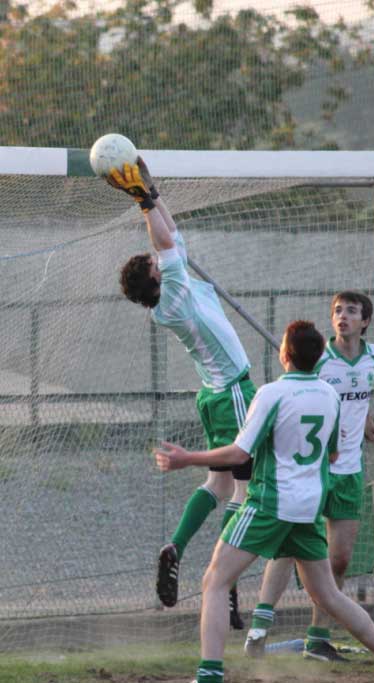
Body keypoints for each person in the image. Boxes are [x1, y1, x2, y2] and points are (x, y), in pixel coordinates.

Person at [154, 320, 374, 683]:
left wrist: (188, 458)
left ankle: (209, 675)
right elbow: (336, 453)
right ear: (317, 358)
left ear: (284, 355)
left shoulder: (271, 394)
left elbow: (238, 453)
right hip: (308, 508)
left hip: (270, 504)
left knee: (215, 581)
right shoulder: (328, 395)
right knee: (329, 595)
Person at [107, 159, 257, 627]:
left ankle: (175, 545)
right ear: (155, 279)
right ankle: (228, 579)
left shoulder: (176, 289)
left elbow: (171, 234)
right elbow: (166, 241)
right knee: (246, 489)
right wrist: (141, 201)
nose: (160, 258)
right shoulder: (171, 299)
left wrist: (150, 191)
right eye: (154, 263)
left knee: (218, 483)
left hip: (212, 394)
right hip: (233, 390)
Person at [245, 290, 374, 661]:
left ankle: (317, 638)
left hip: (350, 471)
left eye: (351, 311)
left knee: (338, 560)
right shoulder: (319, 359)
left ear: (365, 321)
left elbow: (363, 393)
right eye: (337, 311)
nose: (342, 317)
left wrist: (367, 415)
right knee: (289, 548)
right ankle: (259, 629)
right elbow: (294, 395)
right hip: (314, 472)